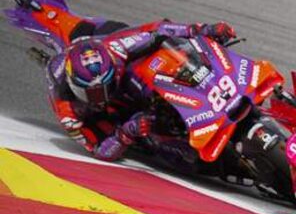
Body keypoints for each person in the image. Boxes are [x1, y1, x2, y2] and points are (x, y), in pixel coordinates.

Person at [47, 21, 237, 162]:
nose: (101, 97)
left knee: (166, 53)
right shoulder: (68, 112)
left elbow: (159, 30)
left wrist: (202, 29)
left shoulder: (117, 49)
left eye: (106, 87)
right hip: (114, 117)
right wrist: (125, 133)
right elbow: (99, 151)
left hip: (117, 58)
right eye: (93, 93)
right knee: (159, 140)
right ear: (74, 86)